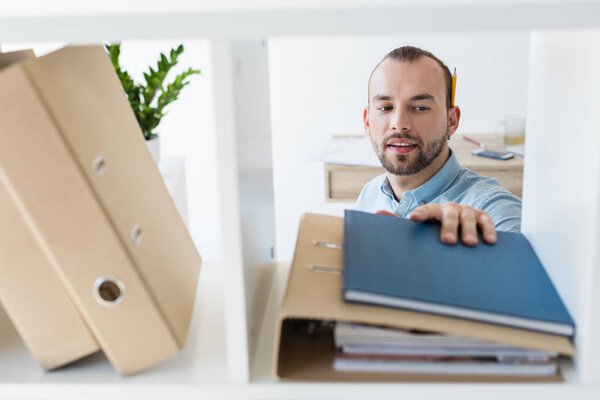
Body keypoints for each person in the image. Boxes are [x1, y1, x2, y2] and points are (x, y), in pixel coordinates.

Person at [356, 46, 521, 246]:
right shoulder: (369, 194)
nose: (399, 123)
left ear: (451, 120)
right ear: (367, 121)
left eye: (420, 108)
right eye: (385, 108)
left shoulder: (495, 214)